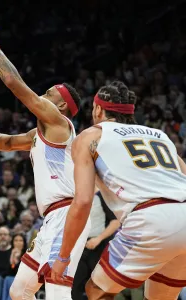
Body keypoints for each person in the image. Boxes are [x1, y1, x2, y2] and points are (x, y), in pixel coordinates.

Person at [0, 6, 90, 299]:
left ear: (63, 105)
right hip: (51, 220)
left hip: (67, 213)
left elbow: (13, 83)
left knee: (57, 290)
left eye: (51, 93)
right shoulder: (40, 133)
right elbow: (9, 143)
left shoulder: (58, 121)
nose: (45, 94)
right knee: (19, 292)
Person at [51, 81, 186, 300]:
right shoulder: (160, 135)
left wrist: (63, 256)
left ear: (97, 109)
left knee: (96, 289)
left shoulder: (90, 136)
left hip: (150, 219)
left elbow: (83, 201)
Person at [2, 233, 27, 300]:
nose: (18, 242)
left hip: (24, 281)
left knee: (12, 280)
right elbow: (7, 272)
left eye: (20, 240)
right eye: (16, 240)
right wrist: (12, 256)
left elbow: (21, 273)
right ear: (13, 243)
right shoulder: (9, 253)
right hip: (11, 280)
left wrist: (16, 260)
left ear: (24, 243)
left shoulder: (28, 255)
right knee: (8, 279)